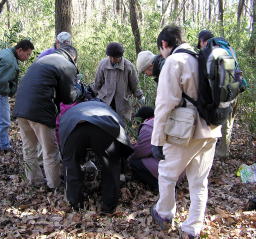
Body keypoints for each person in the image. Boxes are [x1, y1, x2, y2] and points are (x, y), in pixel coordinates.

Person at [150, 25, 221, 238]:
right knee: (199, 183)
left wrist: (157, 140)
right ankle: (192, 229)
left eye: (161, 49)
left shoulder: (174, 61)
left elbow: (164, 104)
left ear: (164, 44)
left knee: (166, 174)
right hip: (211, 129)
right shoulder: (200, 57)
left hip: (186, 131)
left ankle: (163, 215)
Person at [13, 45, 84, 189]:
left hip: (20, 109)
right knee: (50, 151)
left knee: (29, 148)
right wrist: (80, 90)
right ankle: (54, 185)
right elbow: (69, 97)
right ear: (73, 57)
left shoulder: (42, 61)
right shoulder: (66, 65)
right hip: (41, 112)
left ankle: (34, 181)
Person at [59, 100, 133, 214]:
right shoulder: (107, 109)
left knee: (71, 165)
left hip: (74, 129)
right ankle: (109, 206)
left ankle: (75, 204)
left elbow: (63, 145)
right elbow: (120, 138)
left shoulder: (71, 112)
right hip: (103, 128)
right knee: (111, 165)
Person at [0, 39, 34, 152]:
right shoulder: (9, 60)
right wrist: (8, 92)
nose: (28, 57)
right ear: (20, 50)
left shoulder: (6, 52)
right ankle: (3, 146)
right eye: (27, 54)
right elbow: (1, 83)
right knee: (3, 120)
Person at [197, 29, 237, 159]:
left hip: (220, 93)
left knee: (220, 121)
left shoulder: (210, 51)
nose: (201, 47)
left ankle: (218, 152)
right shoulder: (228, 47)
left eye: (200, 44)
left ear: (202, 41)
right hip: (234, 89)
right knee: (228, 121)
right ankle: (224, 149)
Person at [92, 42, 144, 121]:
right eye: (111, 57)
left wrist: (140, 96)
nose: (113, 60)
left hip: (122, 102)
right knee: (105, 122)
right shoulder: (103, 64)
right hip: (105, 99)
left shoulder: (129, 66)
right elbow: (98, 82)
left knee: (121, 124)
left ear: (120, 56)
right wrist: (92, 94)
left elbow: (135, 85)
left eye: (115, 58)